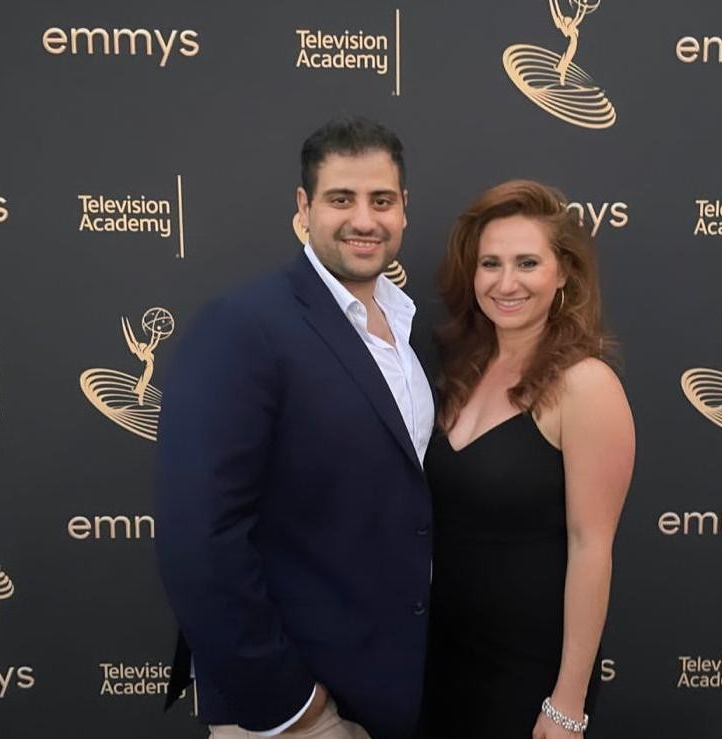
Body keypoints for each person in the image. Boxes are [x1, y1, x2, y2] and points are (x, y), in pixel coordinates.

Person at [156, 116, 435, 739]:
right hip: (297, 709)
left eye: (381, 200)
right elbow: (199, 536)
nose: (364, 219)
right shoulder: (243, 326)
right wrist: (291, 707)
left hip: (389, 689)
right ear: (304, 208)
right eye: (341, 199)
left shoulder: (410, 329)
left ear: (404, 208)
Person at [419, 180, 634, 738]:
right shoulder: (459, 371)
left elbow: (592, 548)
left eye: (527, 263)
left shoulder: (586, 385)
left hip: (526, 674)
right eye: (490, 263)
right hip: (439, 660)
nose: (506, 282)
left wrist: (567, 703)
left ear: (563, 274)